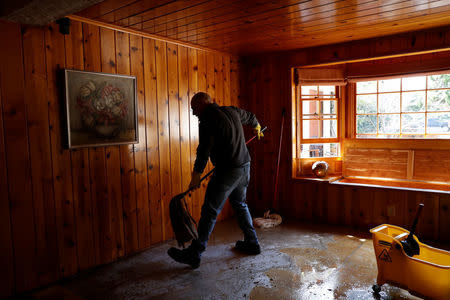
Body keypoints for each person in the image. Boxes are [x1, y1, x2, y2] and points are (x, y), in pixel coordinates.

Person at [167, 92, 264, 269]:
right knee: (240, 204)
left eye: (194, 108)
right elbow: (250, 117)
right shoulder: (231, 111)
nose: (193, 113)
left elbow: (204, 150)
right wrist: (256, 126)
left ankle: (195, 253)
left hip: (227, 171)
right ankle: (252, 242)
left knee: (210, 210)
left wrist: (196, 174)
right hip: (244, 167)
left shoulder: (207, 121)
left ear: (203, 104)